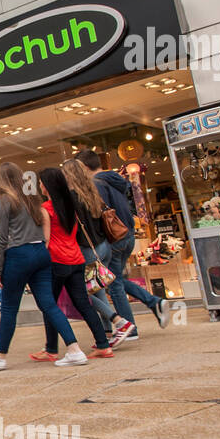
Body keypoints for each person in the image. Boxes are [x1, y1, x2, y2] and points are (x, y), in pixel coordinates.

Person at [0, 163, 86, 369]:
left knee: (9, 307)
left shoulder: (4, 200)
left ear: (2, 179)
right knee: (49, 304)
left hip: (18, 255)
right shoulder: (32, 199)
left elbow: (0, 238)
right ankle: (74, 349)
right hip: (40, 253)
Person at [72, 150, 170, 339]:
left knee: (112, 282)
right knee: (112, 278)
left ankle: (132, 325)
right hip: (127, 234)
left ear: (83, 167)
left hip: (113, 239)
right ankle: (152, 303)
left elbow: (98, 213)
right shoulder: (114, 179)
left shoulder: (96, 184)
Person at [31, 168, 113, 361]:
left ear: (48, 185)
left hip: (57, 261)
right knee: (84, 304)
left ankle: (51, 349)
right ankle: (103, 344)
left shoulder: (46, 209)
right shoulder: (70, 206)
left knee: (49, 305)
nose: (40, 185)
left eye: (41, 182)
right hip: (76, 259)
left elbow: (47, 241)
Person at [63, 159, 134, 347]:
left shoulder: (71, 197)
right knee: (97, 288)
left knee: (80, 291)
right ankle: (108, 332)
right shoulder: (92, 191)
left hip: (87, 248)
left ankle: (119, 321)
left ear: (69, 175)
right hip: (103, 245)